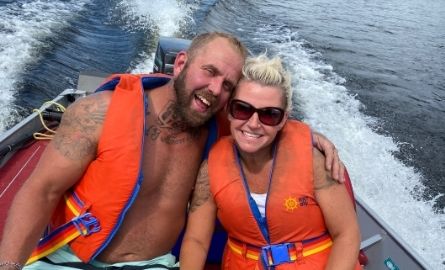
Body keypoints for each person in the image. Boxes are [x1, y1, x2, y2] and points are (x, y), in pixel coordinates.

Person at [0, 32, 343, 270]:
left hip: (152, 265)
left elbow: (264, 117)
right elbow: (41, 190)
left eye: (227, 86)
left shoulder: (225, 126)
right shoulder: (98, 112)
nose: (214, 90)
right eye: (209, 72)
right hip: (68, 256)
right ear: (180, 64)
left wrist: (308, 134)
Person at [180, 54, 361, 269]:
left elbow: (347, 234)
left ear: (283, 119)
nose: (253, 123)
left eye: (269, 115)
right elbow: (196, 242)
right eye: (243, 109)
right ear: (229, 111)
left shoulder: (314, 161)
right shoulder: (210, 170)